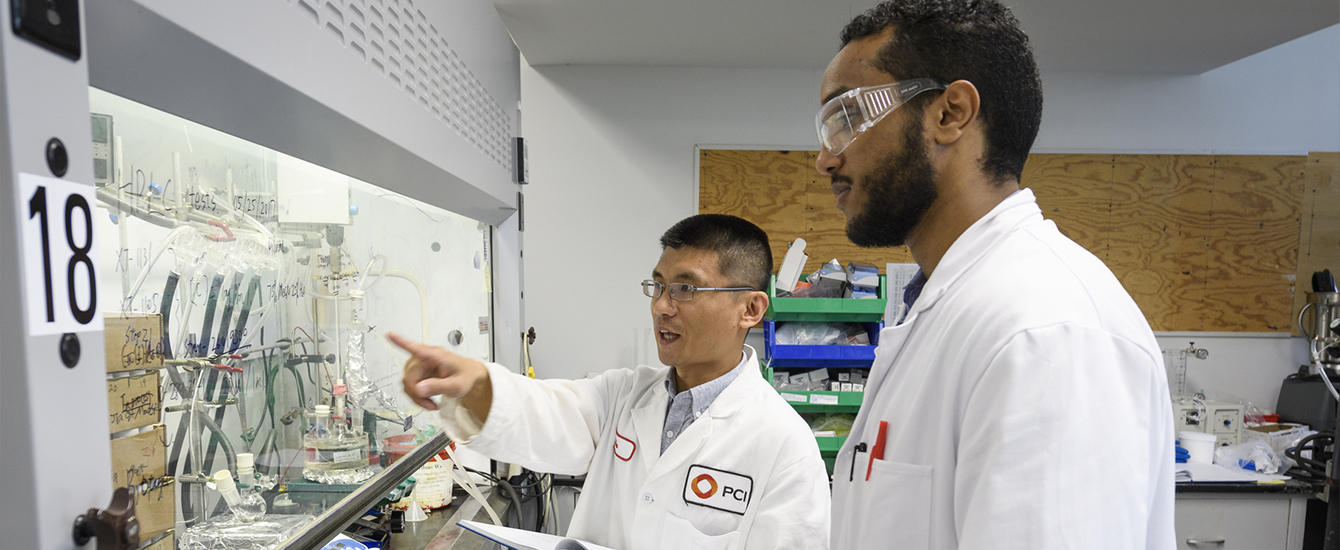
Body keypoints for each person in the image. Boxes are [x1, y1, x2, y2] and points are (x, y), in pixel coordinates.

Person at [813, 1, 1174, 549]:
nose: (825, 158)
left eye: (847, 118)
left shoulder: (1045, 330)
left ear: (950, 114)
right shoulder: (950, 305)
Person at [391, 214, 830, 550]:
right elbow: (543, 412)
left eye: (685, 289)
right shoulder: (624, 394)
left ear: (750, 310)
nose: (661, 306)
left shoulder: (785, 448)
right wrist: (473, 382)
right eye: (658, 285)